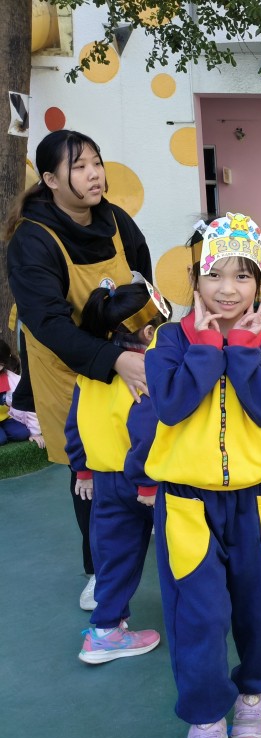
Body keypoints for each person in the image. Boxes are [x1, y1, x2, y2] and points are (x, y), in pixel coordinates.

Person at [144, 214, 261, 738]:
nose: (228, 289)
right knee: (197, 615)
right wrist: (206, 347)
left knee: (258, 609)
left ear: (260, 284)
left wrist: (244, 349)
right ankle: (206, 717)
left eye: (242, 276)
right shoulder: (167, 341)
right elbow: (173, 405)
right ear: (194, 278)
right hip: (186, 503)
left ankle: (254, 695)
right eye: (215, 274)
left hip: (253, 500)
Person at [4, 129, 152, 610]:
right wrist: (113, 360)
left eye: (97, 162)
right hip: (67, 366)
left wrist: (146, 326)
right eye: (80, 166)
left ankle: (147, 523)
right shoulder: (32, 239)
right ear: (50, 180)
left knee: (142, 440)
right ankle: (98, 569)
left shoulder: (116, 220)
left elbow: (142, 278)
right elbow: (47, 322)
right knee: (88, 466)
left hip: (126, 353)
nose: (95, 175)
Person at [65, 279, 169, 664]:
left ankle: (105, 631)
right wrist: (147, 483)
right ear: (148, 333)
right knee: (179, 552)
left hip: (103, 481)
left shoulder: (90, 372)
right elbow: (146, 429)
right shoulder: (146, 371)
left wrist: (82, 470)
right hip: (145, 482)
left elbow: (74, 425)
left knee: (113, 555)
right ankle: (191, 618)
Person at [0, 339, 33, 446]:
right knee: (1, 439)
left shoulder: (13, 379)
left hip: (6, 417)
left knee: (23, 433)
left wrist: (35, 432)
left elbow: (28, 405)